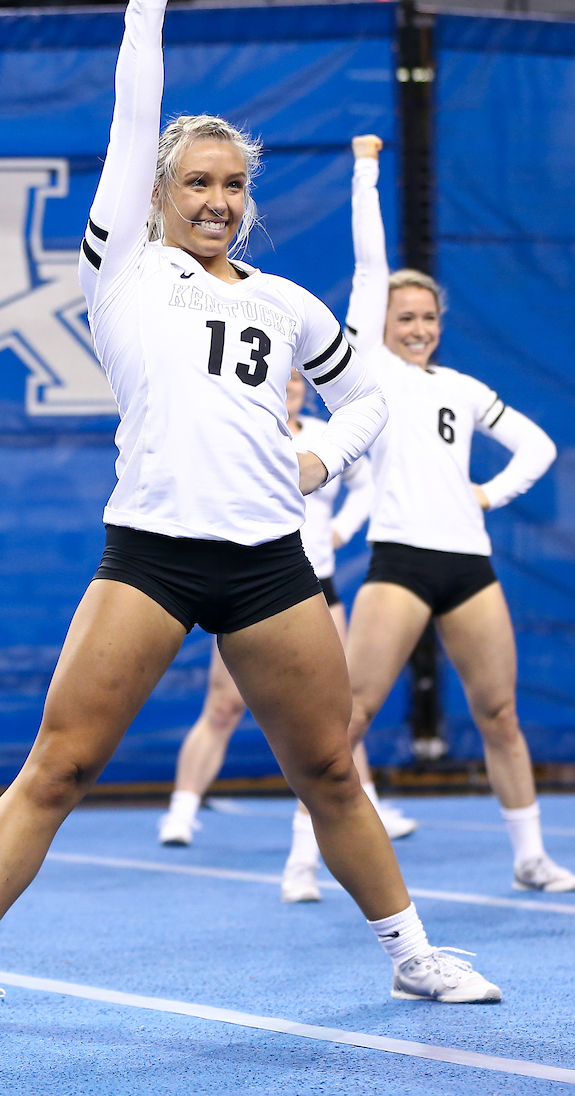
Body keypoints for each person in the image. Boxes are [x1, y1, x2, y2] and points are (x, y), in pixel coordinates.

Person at [0, 0, 501, 1030]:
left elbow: (381, 390)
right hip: (151, 554)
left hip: (270, 564)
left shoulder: (284, 302)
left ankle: (410, 953)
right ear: (157, 193)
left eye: (234, 185)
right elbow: (134, 123)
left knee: (329, 767)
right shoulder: (122, 272)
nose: (218, 199)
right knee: (61, 765)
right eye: (197, 183)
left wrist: (328, 452)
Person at [337, 134, 575, 893]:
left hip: (467, 564)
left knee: (499, 712)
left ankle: (529, 855)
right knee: (348, 717)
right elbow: (369, 263)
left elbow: (537, 447)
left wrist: (487, 493)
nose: (415, 327)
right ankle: (319, 846)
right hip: (400, 562)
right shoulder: (366, 369)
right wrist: (367, 170)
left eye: (426, 318)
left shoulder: (463, 387)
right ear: (379, 322)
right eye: (402, 316)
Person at [156, 370, 419, 867]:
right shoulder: (240, 431)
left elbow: (365, 486)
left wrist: (340, 530)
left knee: (338, 712)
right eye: (285, 379)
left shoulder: (325, 435)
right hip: (250, 586)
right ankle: (182, 809)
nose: (292, 387)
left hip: (316, 585)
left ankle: (370, 804)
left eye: (299, 380)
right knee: (222, 707)